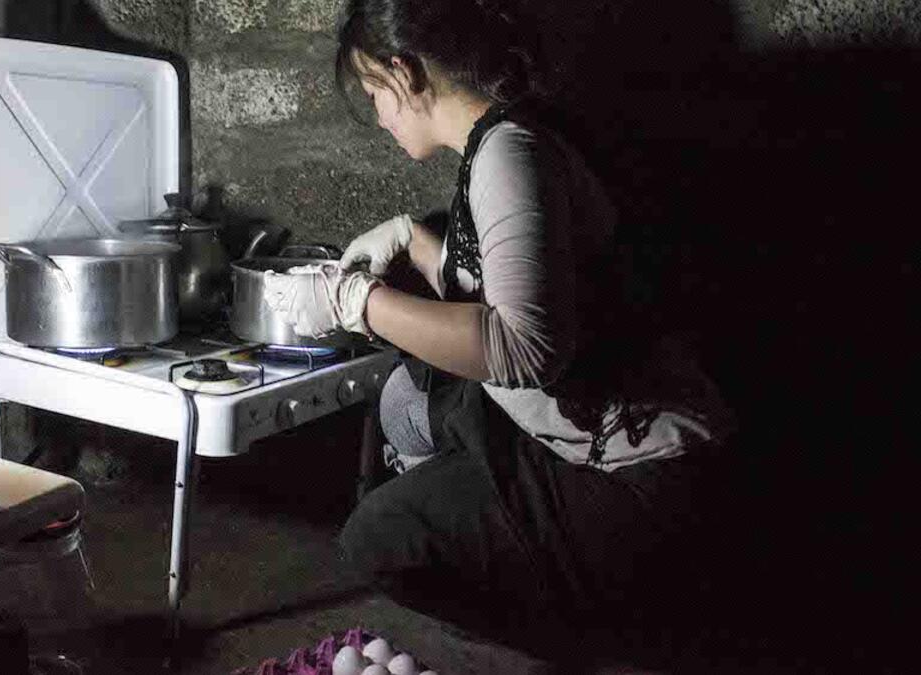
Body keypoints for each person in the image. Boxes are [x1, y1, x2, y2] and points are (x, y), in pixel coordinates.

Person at [262, 0, 736, 660]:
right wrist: (415, 240)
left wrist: (356, 302)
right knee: (409, 403)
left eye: (376, 92)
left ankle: (608, 645)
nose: (379, 114)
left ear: (404, 76)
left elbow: (524, 345)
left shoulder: (511, 154)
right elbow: (512, 284)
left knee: (379, 538)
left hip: (643, 479)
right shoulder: (504, 137)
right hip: (594, 442)